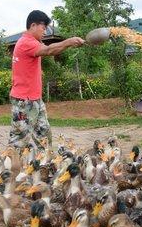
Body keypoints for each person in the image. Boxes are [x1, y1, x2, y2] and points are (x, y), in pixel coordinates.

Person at [9, 10, 85, 151]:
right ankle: (7, 171)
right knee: (18, 142)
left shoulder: (31, 42)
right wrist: (69, 42)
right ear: (33, 25)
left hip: (35, 100)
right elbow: (49, 50)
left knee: (43, 135)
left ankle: (44, 167)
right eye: (43, 28)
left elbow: (46, 48)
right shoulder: (26, 42)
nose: (45, 31)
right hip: (24, 101)